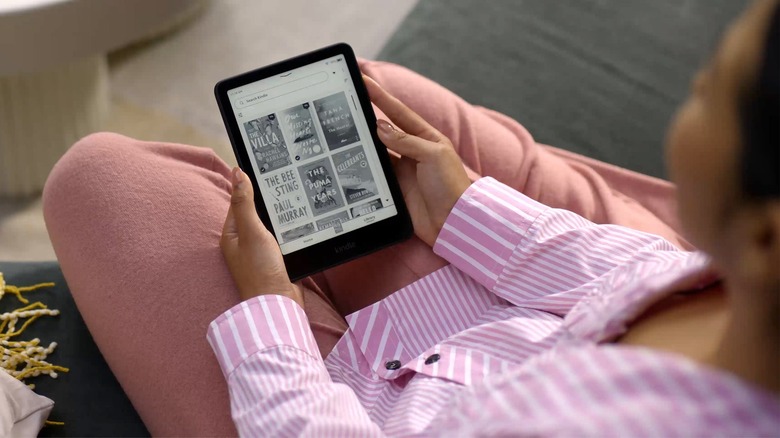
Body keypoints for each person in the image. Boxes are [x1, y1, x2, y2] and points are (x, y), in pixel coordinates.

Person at [42, 0, 778, 435]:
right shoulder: (738, 285)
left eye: (711, 92)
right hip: (512, 322)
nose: (694, 85)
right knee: (371, 99)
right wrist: (466, 211)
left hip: (356, 408)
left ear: (763, 234)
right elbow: (641, 272)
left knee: (100, 177)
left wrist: (270, 317)